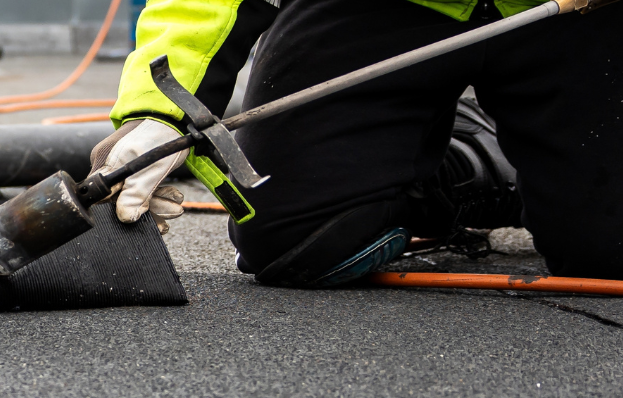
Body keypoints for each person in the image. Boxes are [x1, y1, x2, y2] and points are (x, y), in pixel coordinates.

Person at [91, 0, 622, 285]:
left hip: (588, 10)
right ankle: (470, 161)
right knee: (298, 243)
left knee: (608, 253)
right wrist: (160, 111)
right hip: (387, 5)